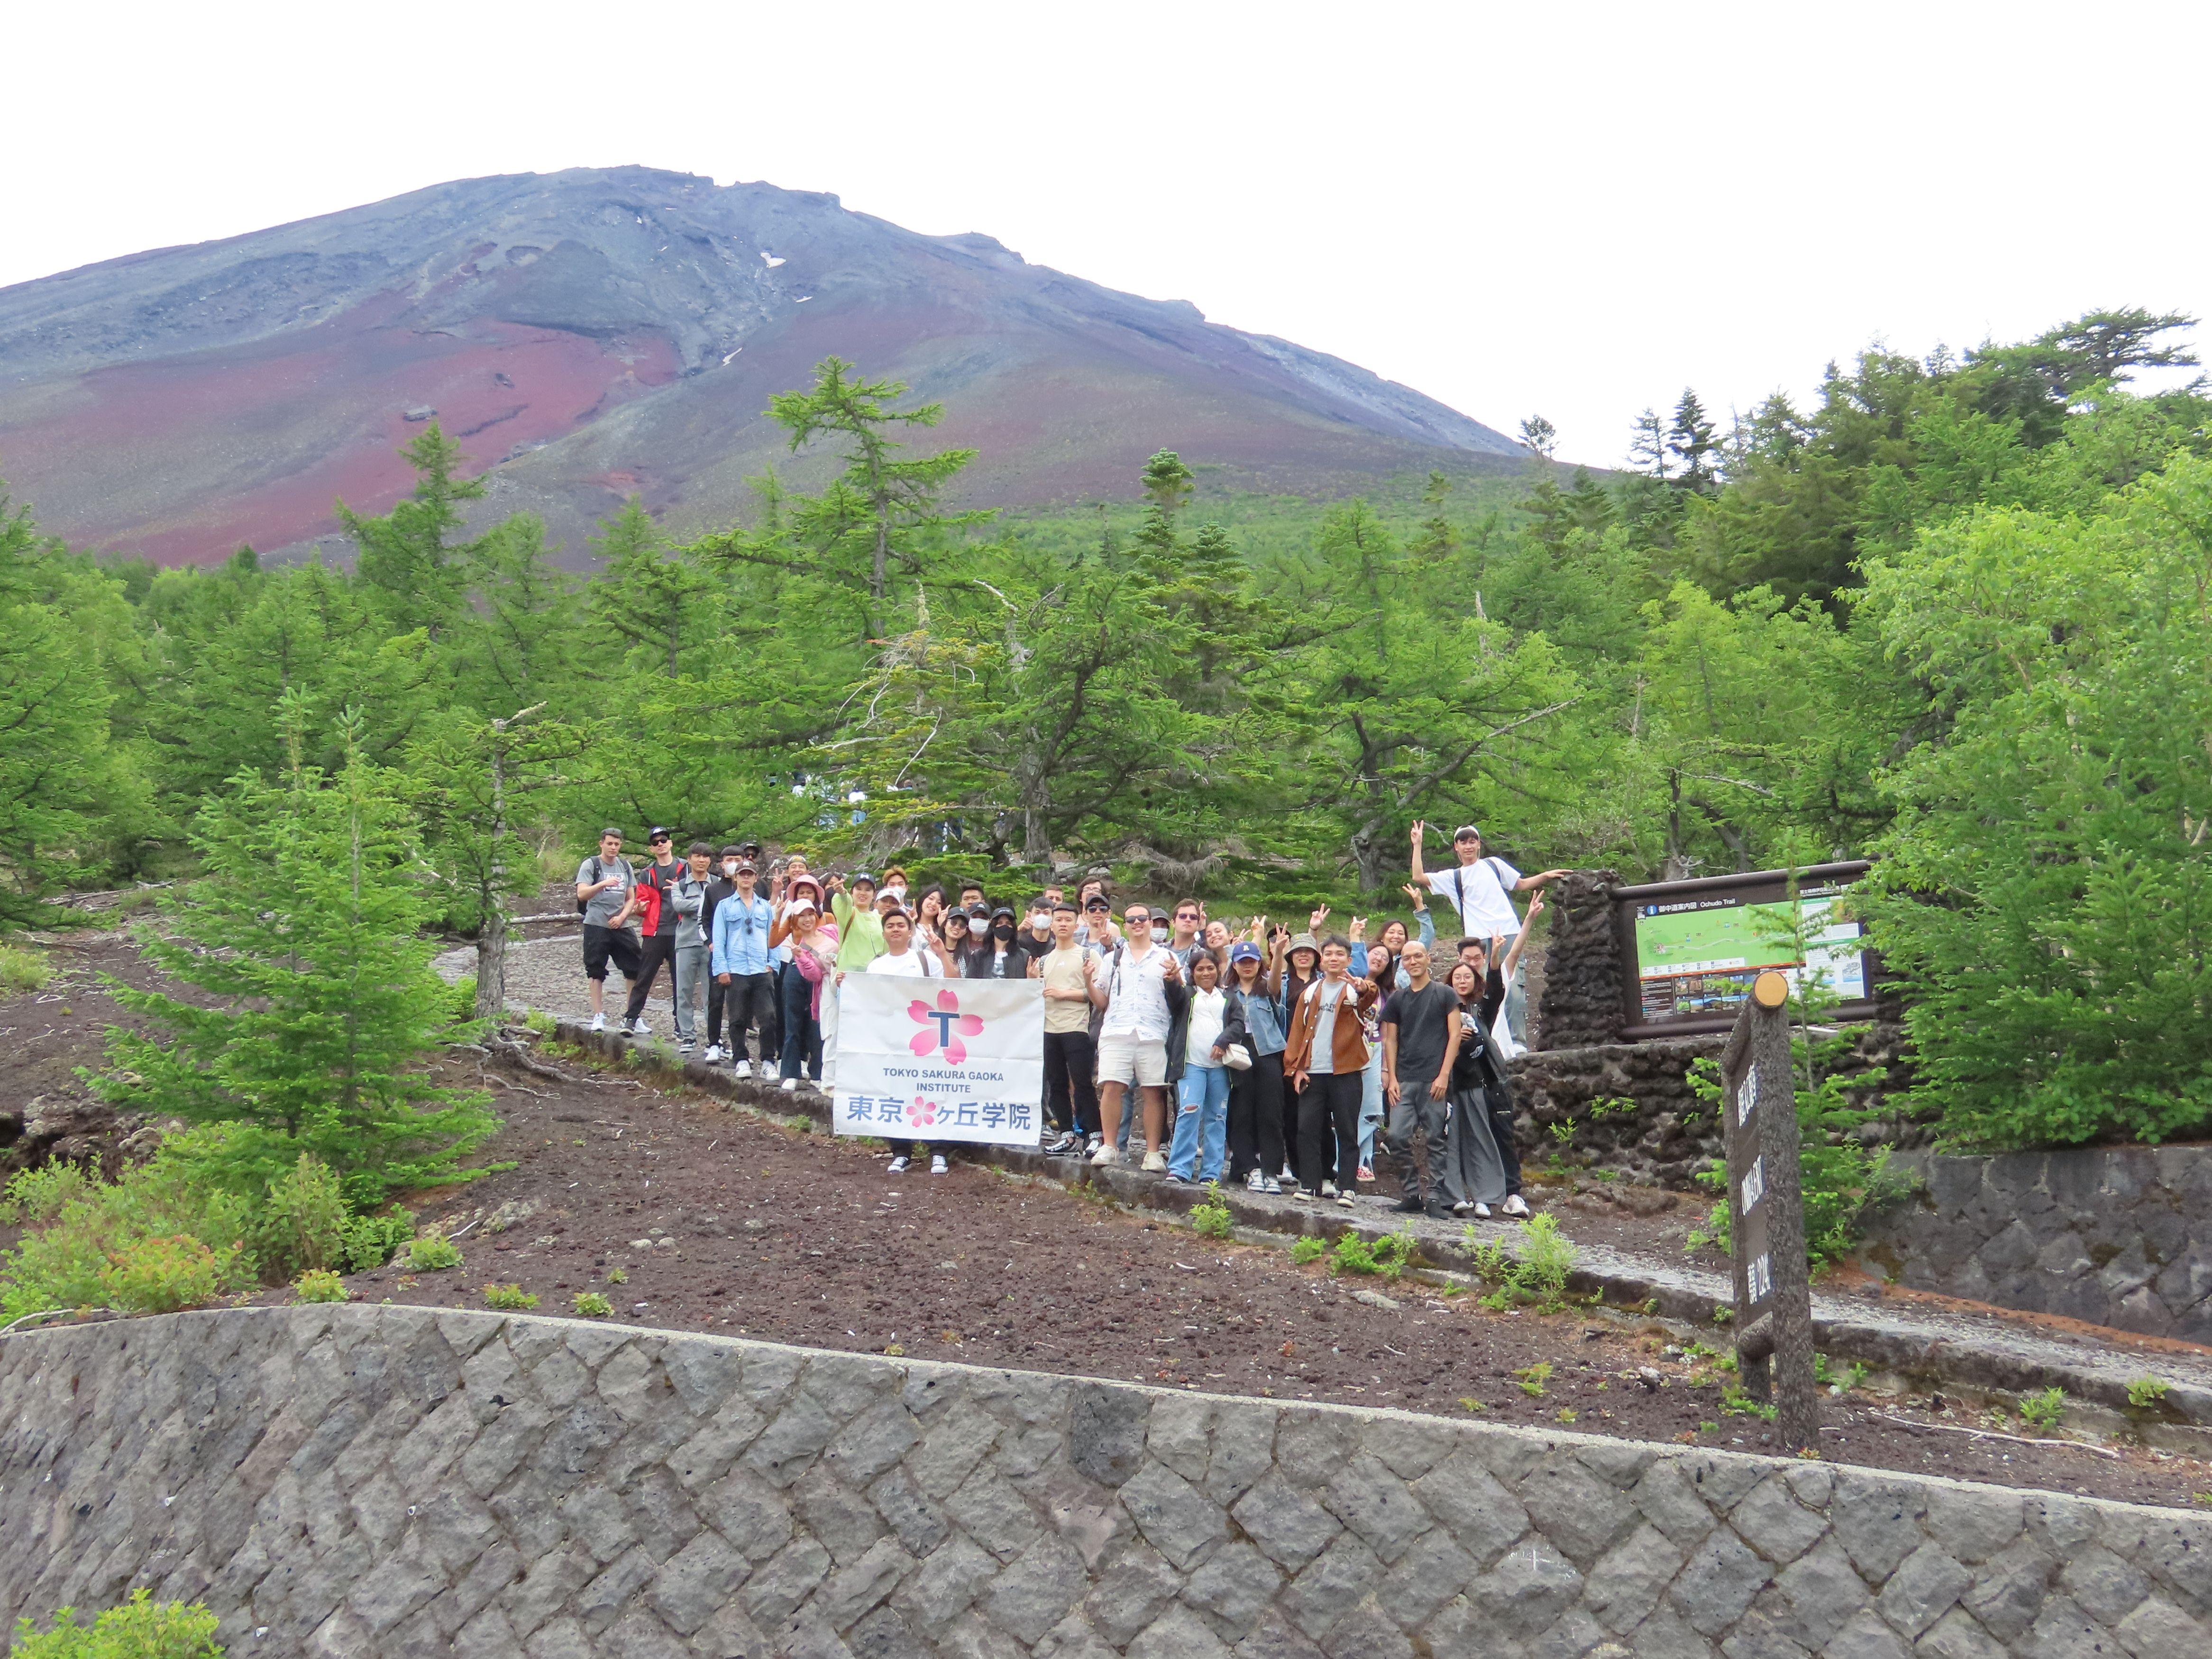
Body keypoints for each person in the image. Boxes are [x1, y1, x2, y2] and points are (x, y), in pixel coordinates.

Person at [1410, 820, 1565, 1044]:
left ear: (1479, 845)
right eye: (1463, 842)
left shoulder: (1493, 865)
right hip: (1478, 940)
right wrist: (1418, 844)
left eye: (1472, 841)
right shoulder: (1454, 877)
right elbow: (1419, 877)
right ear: (1456, 847)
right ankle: (1487, 1040)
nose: (1468, 846)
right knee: (1482, 991)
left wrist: (1546, 876)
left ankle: (1517, 1043)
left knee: (1514, 988)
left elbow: (1520, 884)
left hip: (1509, 932)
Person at [1449, 904, 1542, 1215]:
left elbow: (1499, 984)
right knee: (1466, 1137)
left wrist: (1527, 920)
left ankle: (1512, 1193)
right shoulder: (1447, 1002)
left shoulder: (1485, 1000)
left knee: (1502, 1130)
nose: (1471, 967)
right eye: (1466, 962)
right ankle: (1471, 1192)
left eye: (1477, 959)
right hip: (1459, 1080)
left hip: (1490, 1075)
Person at [1088, 902, 1186, 1169]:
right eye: (1131, 920)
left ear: (1151, 923)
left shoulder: (1167, 958)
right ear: (1126, 925)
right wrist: (1087, 982)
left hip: (1154, 1032)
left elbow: (1181, 998)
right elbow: (1101, 1000)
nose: (1137, 923)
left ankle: (1153, 1152)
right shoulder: (1112, 959)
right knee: (1111, 1088)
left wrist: (1175, 980)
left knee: (1154, 1091)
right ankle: (1110, 1146)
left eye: (1142, 918)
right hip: (1116, 1030)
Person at [1283, 935, 1379, 1208]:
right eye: (1329, 954)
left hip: (1347, 1071)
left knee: (1348, 1130)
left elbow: (1368, 998)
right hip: (1314, 1072)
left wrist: (1364, 987)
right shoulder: (1310, 992)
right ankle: (1311, 1184)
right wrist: (1296, 1068)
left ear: (1349, 960)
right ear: (1321, 960)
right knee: (1307, 1128)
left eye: (1340, 954)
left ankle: (1347, 1187)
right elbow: (1297, 1034)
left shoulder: (1353, 990)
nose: (1334, 958)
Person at [859, 909, 955, 1174]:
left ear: (910, 931)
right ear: (884, 933)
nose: (896, 929)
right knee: (896, 1092)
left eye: (901, 925)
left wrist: (943, 954)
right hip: (892, 1040)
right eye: (890, 926)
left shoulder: (925, 960)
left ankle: (938, 1151)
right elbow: (869, 1002)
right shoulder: (876, 967)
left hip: (925, 1037)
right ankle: (901, 1151)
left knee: (932, 1091)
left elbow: (952, 984)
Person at [1379, 942, 1464, 1219]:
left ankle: (1436, 1197)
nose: (1413, 961)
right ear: (1401, 963)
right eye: (1407, 958)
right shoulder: (1397, 999)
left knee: (1436, 1139)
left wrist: (1444, 1075)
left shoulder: (1445, 994)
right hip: (1404, 1079)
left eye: (1418, 956)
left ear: (1428, 958)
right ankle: (1411, 1193)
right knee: (1396, 1136)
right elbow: (1390, 1039)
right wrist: (1391, 1078)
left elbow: (1455, 1036)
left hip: (1434, 1081)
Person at [1166, 953, 1244, 1185]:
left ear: (1218, 970)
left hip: (1221, 1068)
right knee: (1189, 1112)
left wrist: (1222, 1041)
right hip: (1192, 1065)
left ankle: (1211, 1173)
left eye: (1210, 968)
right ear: (1192, 973)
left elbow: (1239, 1024)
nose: (1206, 973)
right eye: (1200, 969)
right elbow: (1173, 999)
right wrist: (1171, 980)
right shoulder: (1187, 995)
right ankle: (1180, 1168)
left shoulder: (1229, 997)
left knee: (1217, 1117)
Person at [1441, 960, 1511, 1215]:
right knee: (1448, 1138)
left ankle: (1484, 1197)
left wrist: (1494, 960)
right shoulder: (1440, 1007)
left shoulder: (1481, 1010)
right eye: (1457, 977)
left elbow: (1497, 990)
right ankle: (1452, 1196)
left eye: (1467, 977)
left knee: (1480, 1138)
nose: (1462, 981)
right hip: (1446, 1084)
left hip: (1474, 1082)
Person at [1224, 939, 1289, 1194]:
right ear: (1235, 965)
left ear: (1259, 964)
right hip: (1239, 1053)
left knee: (1271, 1113)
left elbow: (1275, 984)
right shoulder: (1227, 993)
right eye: (1242, 962)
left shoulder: (1267, 988)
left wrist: (1279, 952)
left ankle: (1271, 1170)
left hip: (1269, 1053)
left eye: (1252, 962)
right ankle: (1249, 1167)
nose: (1247, 966)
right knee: (1240, 1112)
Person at [1038, 899, 1101, 1156]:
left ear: (1077, 925)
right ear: (1051, 925)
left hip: (1077, 1028)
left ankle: (1094, 1134)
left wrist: (1065, 994)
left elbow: (1097, 993)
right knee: (1056, 1083)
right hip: (1049, 1029)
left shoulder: (1088, 954)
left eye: (1068, 920)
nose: (1063, 924)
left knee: (1083, 1082)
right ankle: (1066, 1134)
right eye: (1059, 920)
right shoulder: (1044, 960)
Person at [708, 857, 777, 1075]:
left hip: (760, 968)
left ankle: (768, 1061)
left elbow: (773, 937)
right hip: (736, 968)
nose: (746, 878)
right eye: (742, 874)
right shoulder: (724, 906)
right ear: (735, 878)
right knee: (737, 1018)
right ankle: (741, 1059)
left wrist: (772, 965)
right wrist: (721, 969)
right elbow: (718, 939)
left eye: (750, 874)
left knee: (768, 1017)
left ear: (756, 879)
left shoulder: (765, 907)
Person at [769, 877, 839, 1092]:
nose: (807, 919)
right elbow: (773, 942)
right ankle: (791, 1072)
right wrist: (779, 916)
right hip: (796, 969)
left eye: (810, 893)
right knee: (793, 1020)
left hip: (821, 976)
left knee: (817, 1023)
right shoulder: (791, 922)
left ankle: (818, 1072)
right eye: (801, 893)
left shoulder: (828, 921)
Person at [621, 827, 684, 1037]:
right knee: (644, 977)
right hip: (655, 932)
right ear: (651, 848)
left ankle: (681, 1024)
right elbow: (643, 904)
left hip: (680, 932)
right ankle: (631, 1018)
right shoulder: (647, 874)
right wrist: (640, 909)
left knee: (680, 981)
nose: (660, 844)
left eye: (664, 840)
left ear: (671, 843)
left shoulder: (685, 869)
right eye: (656, 842)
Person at [575, 828, 640, 1033]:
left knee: (635, 968)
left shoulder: (625, 866)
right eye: (610, 843)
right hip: (596, 924)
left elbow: (631, 898)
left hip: (621, 925)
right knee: (595, 970)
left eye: (617, 844)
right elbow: (582, 893)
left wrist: (622, 917)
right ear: (601, 843)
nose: (613, 848)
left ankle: (632, 1016)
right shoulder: (591, 864)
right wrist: (602, 883)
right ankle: (598, 1015)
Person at [670, 843, 716, 1054]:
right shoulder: (680, 886)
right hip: (686, 942)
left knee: (712, 995)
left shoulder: (716, 883)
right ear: (689, 859)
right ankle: (688, 1036)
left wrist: (700, 904)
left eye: (706, 857)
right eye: (697, 856)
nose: (701, 860)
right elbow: (679, 906)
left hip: (712, 944)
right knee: (684, 991)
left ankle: (713, 1039)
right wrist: (705, 902)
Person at [967, 906, 1027, 978]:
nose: (1004, 926)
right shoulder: (979, 956)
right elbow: (970, 984)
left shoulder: (1024, 956)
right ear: (993, 927)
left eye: (1008, 923)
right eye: (1000, 923)